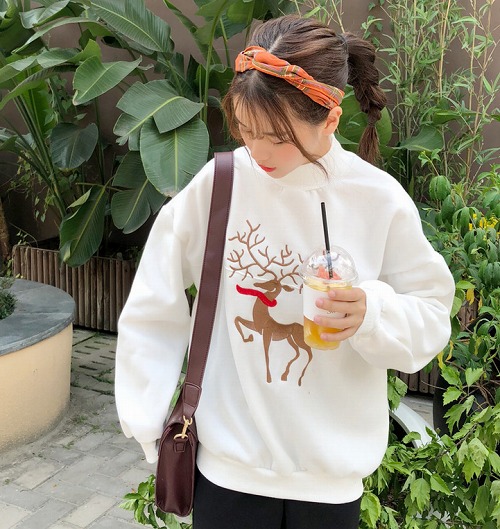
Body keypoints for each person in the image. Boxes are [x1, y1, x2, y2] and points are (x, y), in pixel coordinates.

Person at [115, 15, 455, 529]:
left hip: (330, 483)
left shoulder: (377, 200)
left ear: (330, 120)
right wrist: (145, 418)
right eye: (247, 129)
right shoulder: (222, 184)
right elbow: (154, 300)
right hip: (228, 474)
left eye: (277, 136)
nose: (259, 152)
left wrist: (371, 312)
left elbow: (431, 315)